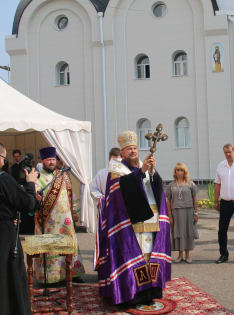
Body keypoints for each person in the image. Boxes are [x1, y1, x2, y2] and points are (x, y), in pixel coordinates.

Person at [95, 131, 171, 307]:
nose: (133, 151)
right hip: (128, 224)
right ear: (121, 152)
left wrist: (151, 173)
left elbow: (156, 188)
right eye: (129, 149)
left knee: (148, 257)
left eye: (135, 148)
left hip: (149, 220)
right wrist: (143, 171)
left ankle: (149, 292)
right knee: (133, 257)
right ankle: (130, 295)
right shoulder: (116, 168)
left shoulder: (140, 168)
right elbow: (122, 190)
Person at [34, 146, 85, 284]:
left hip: (66, 220)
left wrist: (75, 211)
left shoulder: (62, 175)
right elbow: (35, 196)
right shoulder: (38, 178)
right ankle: (51, 277)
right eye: (48, 160)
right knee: (51, 248)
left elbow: (71, 195)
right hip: (49, 220)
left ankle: (73, 273)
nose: (51, 162)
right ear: (43, 161)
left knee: (69, 245)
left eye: (53, 159)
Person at [0, 143, 37, 315]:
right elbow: (27, 203)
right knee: (9, 278)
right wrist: (30, 184)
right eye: (4, 158)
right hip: (4, 236)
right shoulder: (4, 179)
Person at [166, 162, 198, 263]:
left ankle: (187, 255)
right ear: (175, 172)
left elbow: (195, 199)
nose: (179, 172)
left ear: (185, 172)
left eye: (181, 170)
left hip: (188, 211)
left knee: (187, 232)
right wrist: (170, 215)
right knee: (178, 232)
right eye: (178, 170)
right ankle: (180, 255)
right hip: (176, 212)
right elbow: (168, 201)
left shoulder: (190, 184)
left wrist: (196, 213)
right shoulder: (171, 185)